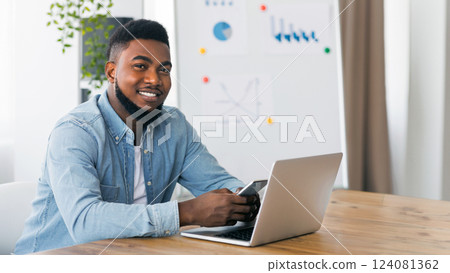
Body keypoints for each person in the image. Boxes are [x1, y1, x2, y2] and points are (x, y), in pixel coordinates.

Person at [14, 19, 260, 254]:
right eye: (140, 66)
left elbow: (216, 184)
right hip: (55, 260)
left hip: (133, 256)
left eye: (164, 70)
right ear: (112, 72)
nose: (155, 80)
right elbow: (85, 222)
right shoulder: (75, 131)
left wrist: (244, 199)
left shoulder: (174, 126)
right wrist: (185, 213)